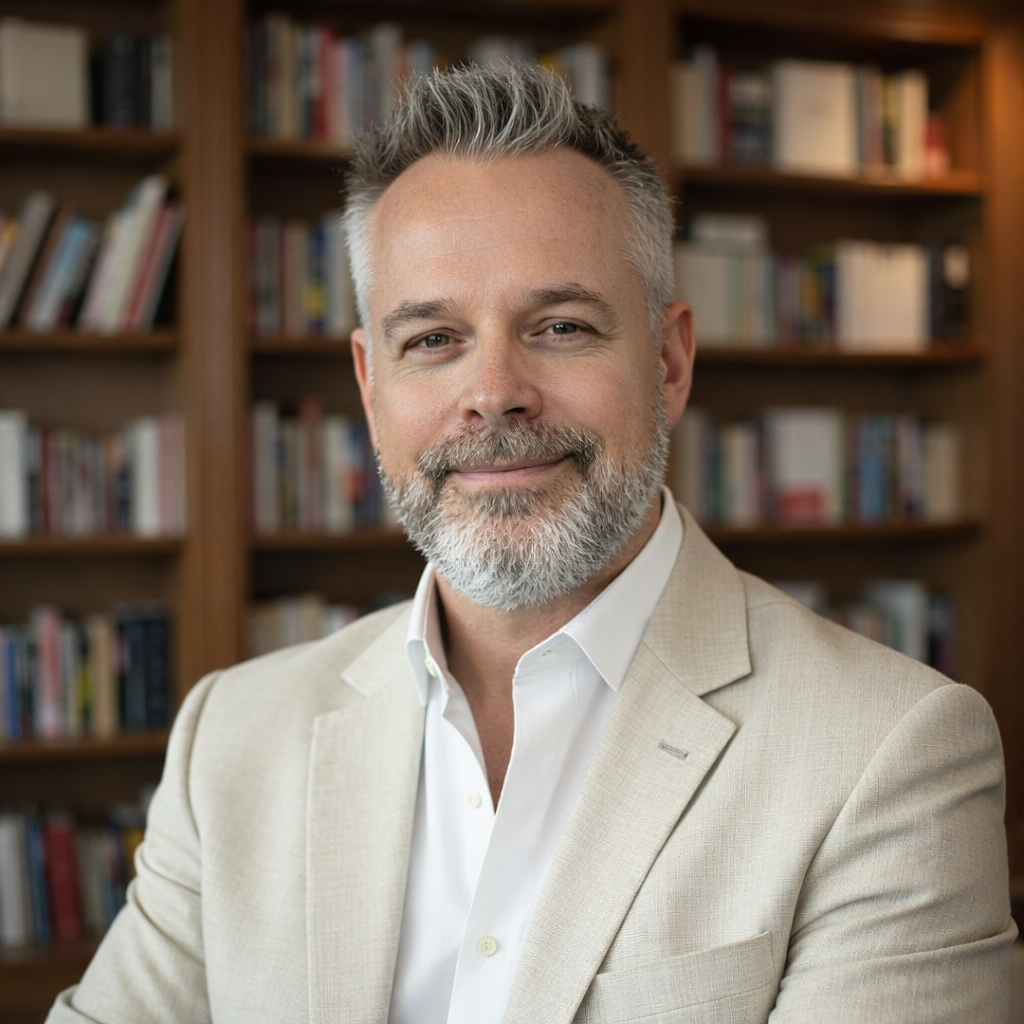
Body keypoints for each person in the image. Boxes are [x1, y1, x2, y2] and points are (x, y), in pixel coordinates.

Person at [49, 62, 1013, 1024]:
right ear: (369, 385)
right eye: (431, 339)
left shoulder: (891, 753)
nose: (494, 390)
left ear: (669, 362)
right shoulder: (232, 739)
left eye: (559, 325)